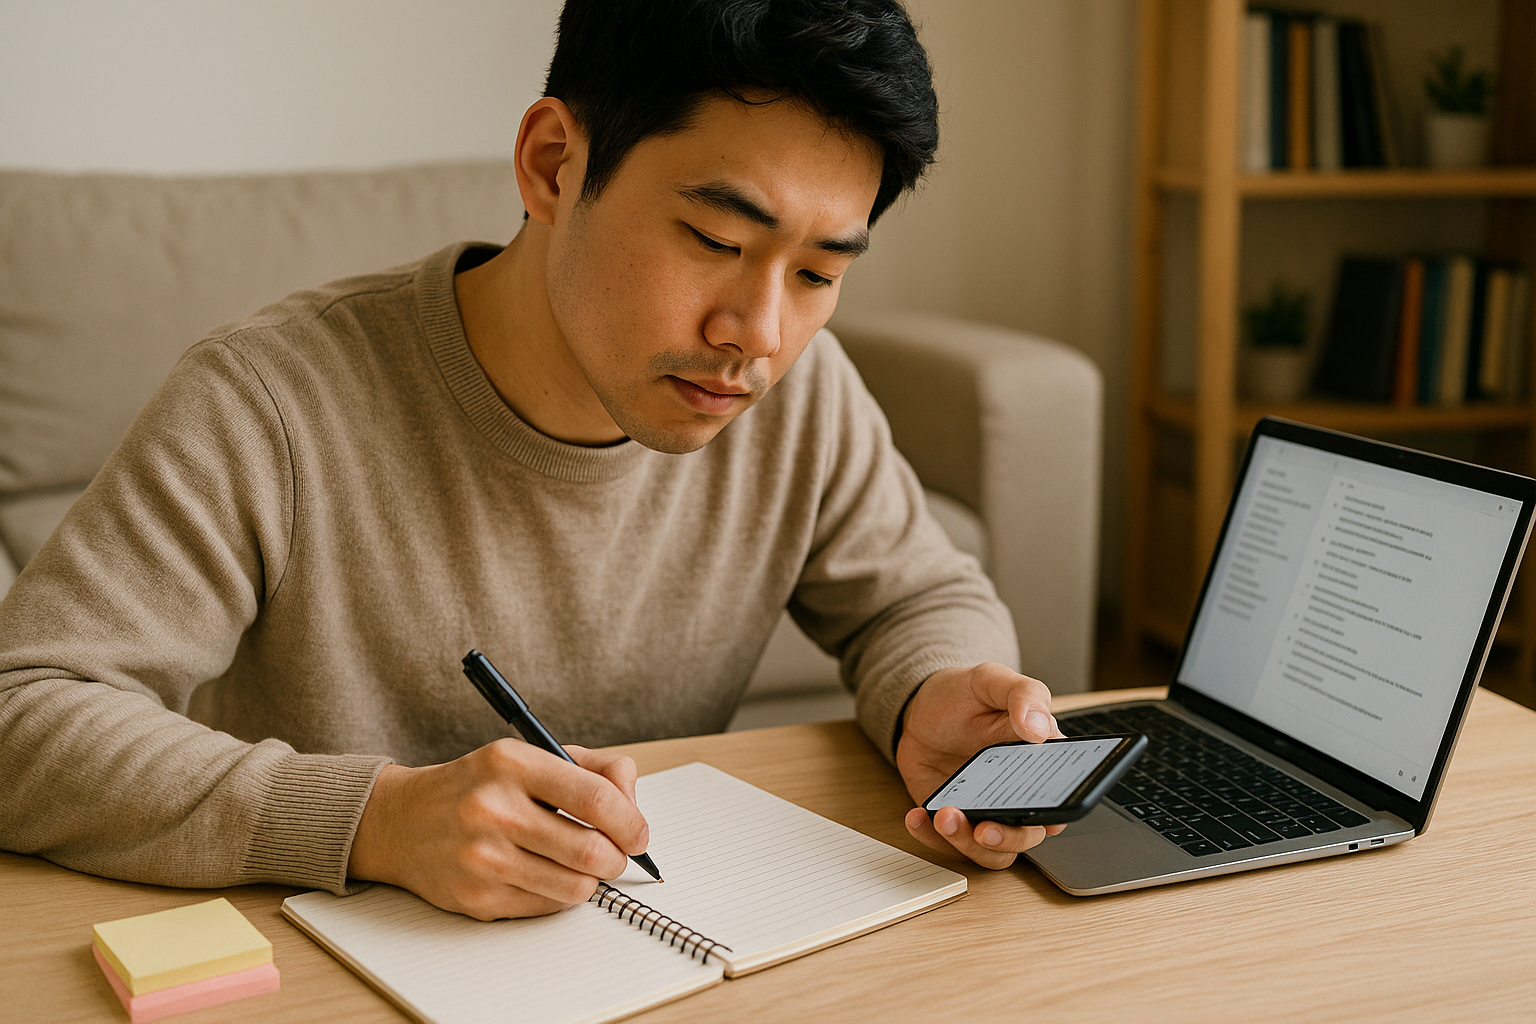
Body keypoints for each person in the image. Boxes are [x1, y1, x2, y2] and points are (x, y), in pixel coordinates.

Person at [0, 0, 1064, 921]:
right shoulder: (268, 401)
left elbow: (916, 593)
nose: (760, 333)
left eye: (820, 272)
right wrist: (371, 819)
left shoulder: (798, 395)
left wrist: (933, 689)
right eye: (717, 242)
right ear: (554, 163)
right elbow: (26, 711)